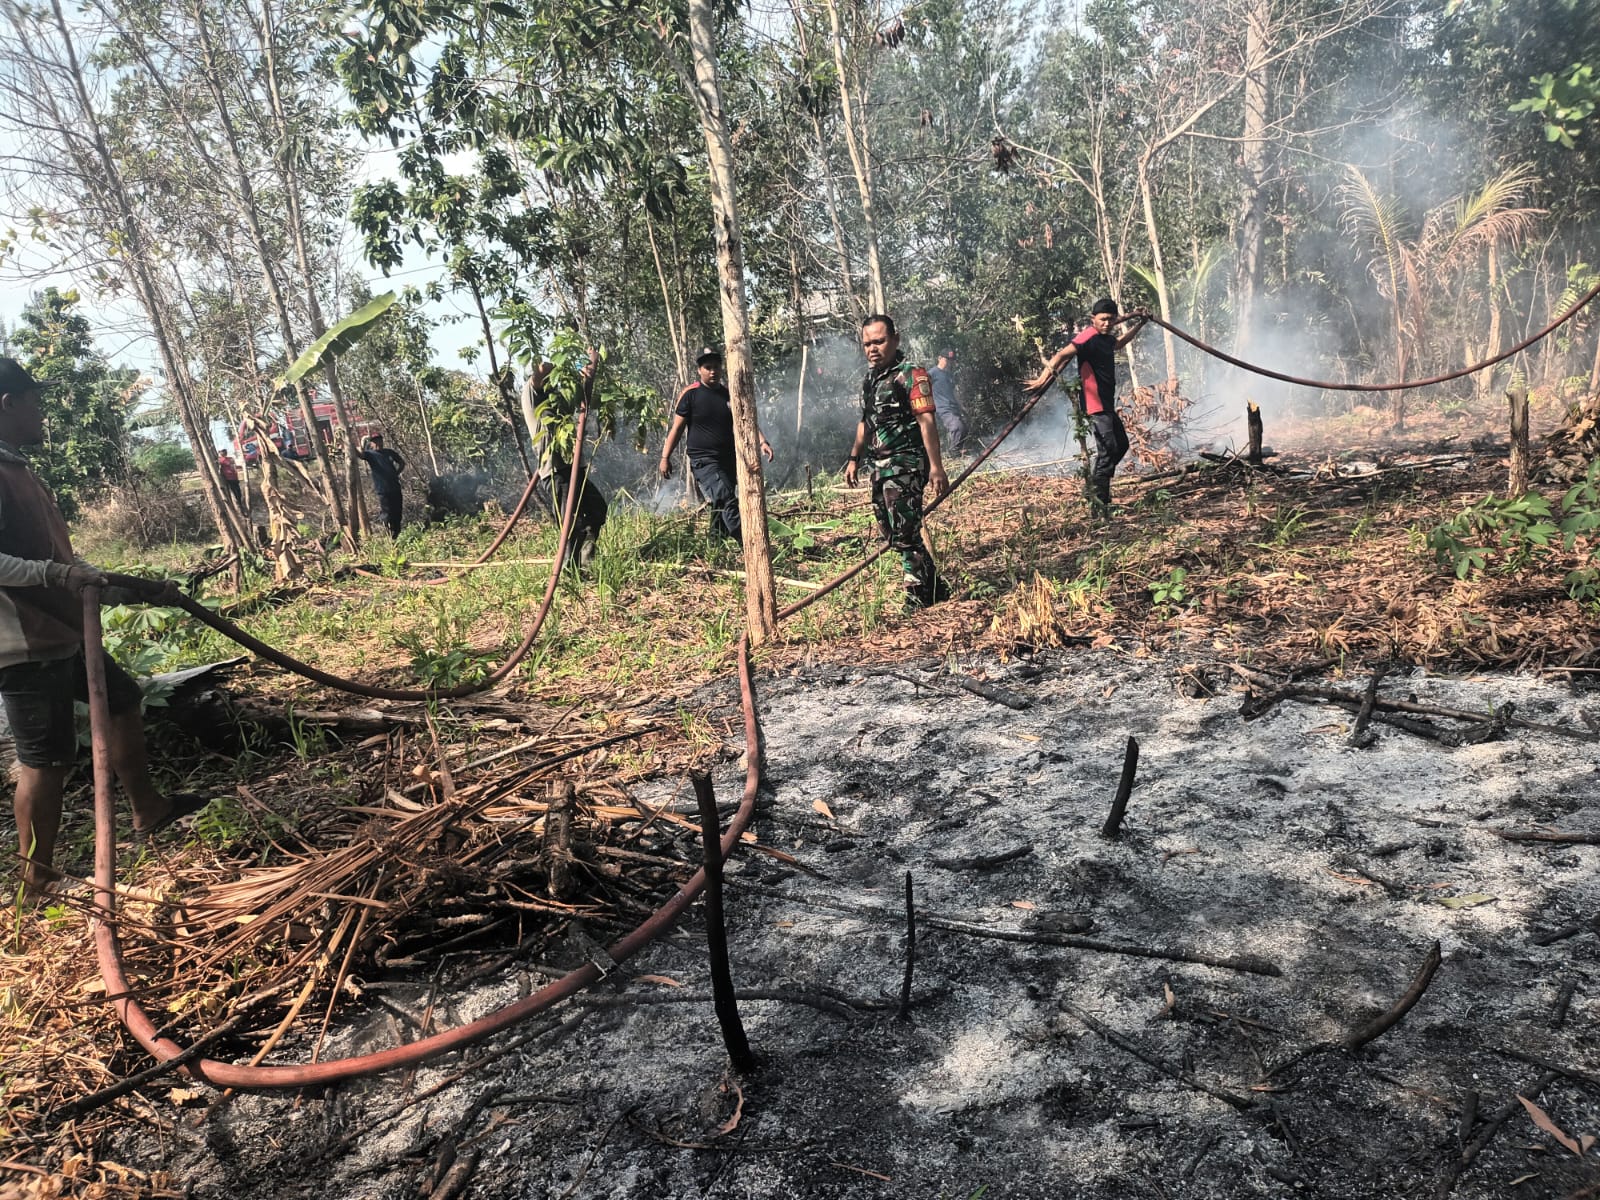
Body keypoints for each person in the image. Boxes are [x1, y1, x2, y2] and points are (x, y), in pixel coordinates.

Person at [0, 358, 205, 900]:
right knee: (45, 758)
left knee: (120, 700)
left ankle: (147, 809)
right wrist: (55, 574)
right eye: (36, 402)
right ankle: (37, 879)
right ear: (9, 405)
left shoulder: (16, 468)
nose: (43, 413)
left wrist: (112, 583)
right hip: (21, 643)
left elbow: (51, 555)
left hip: (63, 629)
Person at [845, 315, 951, 608]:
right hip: (878, 466)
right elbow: (865, 423)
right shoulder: (869, 380)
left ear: (895, 339)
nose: (872, 349)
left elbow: (926, 420)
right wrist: (854, 457)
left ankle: (916, 595)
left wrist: (936, 467)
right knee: (890, 531)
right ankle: (935, 587)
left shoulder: (911, 375)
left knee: (905, 529)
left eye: (879, 341)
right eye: (867, 343)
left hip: (905, 464)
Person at [1025, 298, 1149, 515]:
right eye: (1102, 319)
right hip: (1095, 403)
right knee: (1108, 448)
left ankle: (1095, 487)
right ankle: (1098, 504)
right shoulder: (1088, 336)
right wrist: (1042, 378)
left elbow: (1119, 343)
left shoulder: (1106, 338)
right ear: (1093, 319)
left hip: (1106, 403)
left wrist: (1140, 324)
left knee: (1121, 445)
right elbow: (1061, 355)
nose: (1107, 323)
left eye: (1111, 320)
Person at [658, 347, 773, 544]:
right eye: (708, 367)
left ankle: (715, 544)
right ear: (699, 370)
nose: (713, 371)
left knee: (721, 500)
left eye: (716, 367)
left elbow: (746, 421)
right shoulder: (690, 394)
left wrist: (762, 441)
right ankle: (748, 543)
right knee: (726, 497)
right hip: (703, 459)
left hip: (728, 458)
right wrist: (665, 457)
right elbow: (676, 429)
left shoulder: (729, 395)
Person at [526, 358, 608, 570]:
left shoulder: (559, 400)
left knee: (597, 509)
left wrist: (587, 371)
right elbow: (542, 370)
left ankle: (586, 561)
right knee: (570, 521)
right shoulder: (533, 395)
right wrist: (567, 365)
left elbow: (583, 399)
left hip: (573, 468)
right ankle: (568, 569)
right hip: (556, 471)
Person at [358, 433, 407, 536]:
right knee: (387, 513)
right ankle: (389, 534)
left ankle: (397, 534)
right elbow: (360, 455)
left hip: (395, 487)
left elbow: (402, 463)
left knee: (397, 512)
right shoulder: (370, 454)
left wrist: (396, 474)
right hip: (383, 490)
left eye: (380, 440)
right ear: (371, 443)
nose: (378, 443)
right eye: (375, 441)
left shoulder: (389, 452)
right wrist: (355, 446)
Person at [928, 348, 965, 449]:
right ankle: (954, 452)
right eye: (947, 360)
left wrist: (961, 406)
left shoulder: (949, 375)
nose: (949, 363)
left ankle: (959, 453)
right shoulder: (932, 373)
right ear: (939, 358)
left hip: (953, 407)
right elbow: (923, 388)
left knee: (964, 428)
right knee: (957, 427)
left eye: (951, 361)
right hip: (942, 408)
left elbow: (954, 392)